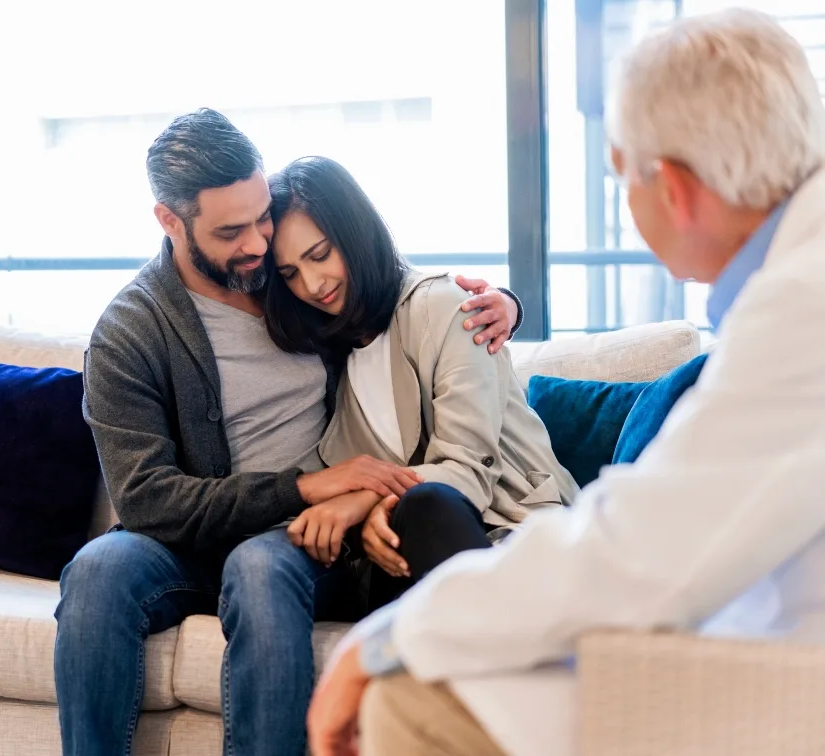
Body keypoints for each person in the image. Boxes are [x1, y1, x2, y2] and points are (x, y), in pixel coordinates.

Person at [306, 9, 825, 756]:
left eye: (620, 176)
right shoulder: (790, 283)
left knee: (414, 699)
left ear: (672, 190)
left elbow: (640, 552)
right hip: (756, 637)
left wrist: (390, 636)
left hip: (782, 682)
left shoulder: (798, 311)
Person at [53, 108, 525, 756]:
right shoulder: (130, 331)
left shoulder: (285, 275)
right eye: (230, 230)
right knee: (97, 570)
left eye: (260, 217)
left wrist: (501, 302)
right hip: (198, 535)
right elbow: (145, 501)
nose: (255, 243)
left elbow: (378, 281)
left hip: (304, 539)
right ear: (169, 220)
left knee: (259, 565)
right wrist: (308, 486)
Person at [263, 156, 578, 612]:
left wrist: (365, 500)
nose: (312, 283)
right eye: (290, 273)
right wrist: (372, 516)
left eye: (319, 254)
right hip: (410, 559)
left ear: (355, 233)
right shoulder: (325, 363)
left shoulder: (443, 307)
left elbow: (466, 472)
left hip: (514, 529)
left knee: (427, 503)